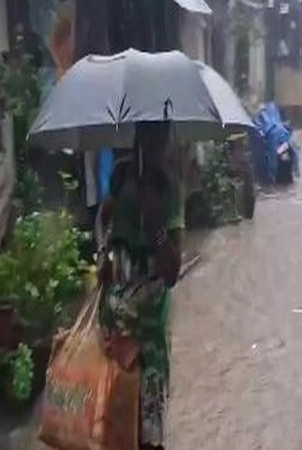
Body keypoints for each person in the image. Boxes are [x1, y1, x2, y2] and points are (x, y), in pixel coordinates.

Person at [97, 122, 183, 449]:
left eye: (161, 137)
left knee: (149, 425)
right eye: (151, 136)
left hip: (149, 329)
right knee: (114, 418)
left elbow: (173, 272)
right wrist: (103, 254)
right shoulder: (119, 176)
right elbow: (104, 223)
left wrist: (157, 229)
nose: (159, 145)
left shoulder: (167, 187)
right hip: (116, 319)